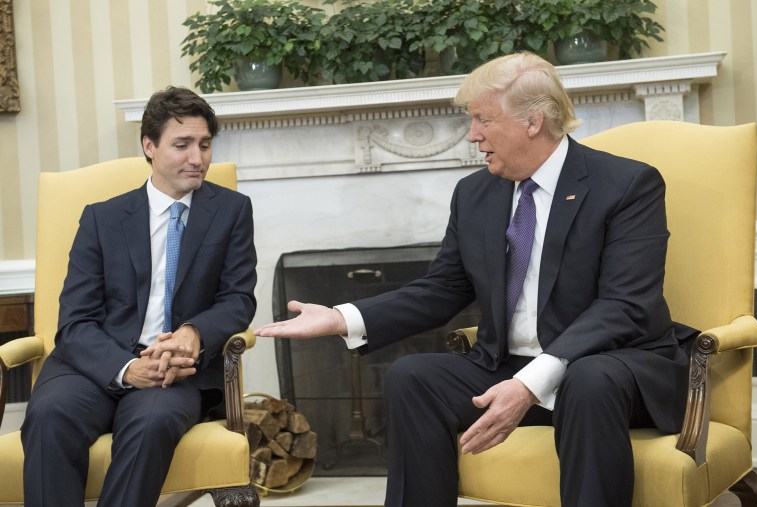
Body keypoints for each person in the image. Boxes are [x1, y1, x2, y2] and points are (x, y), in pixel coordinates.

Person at [255, 52, 693, 507]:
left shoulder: (626, 184)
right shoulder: (475, 193)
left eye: (484, 119)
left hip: (613, 366)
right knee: (413, 377)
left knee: (588, 378)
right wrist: (342, 318)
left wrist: (529, 384)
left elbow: (624, 305)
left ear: (533, 121)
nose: (473, 135)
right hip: (508, 364)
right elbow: (443, 287)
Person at [20, 86, 257, 507]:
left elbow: (238, 299)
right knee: (50, 415)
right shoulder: (102, 218)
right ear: (149, 146)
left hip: (175, 372)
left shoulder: (232, 210)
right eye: (182, 145)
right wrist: (126, 368)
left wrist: (194, 332)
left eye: (204, 145)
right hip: (93, 366)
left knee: (152, 422)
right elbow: (74, 321)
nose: (197, 158)